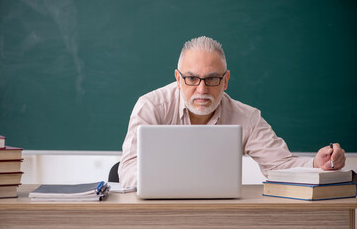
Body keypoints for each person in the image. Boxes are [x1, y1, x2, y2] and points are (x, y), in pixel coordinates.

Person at [119, 36, 346, 188]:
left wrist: (317, 165)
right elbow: (128, 171)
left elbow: (279, 166)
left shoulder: (247, 118)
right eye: (191, 78)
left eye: (212, 79)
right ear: (178, 79)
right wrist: (171, 183)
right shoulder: (151, 107)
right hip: (158, 212)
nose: (202, 89)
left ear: (225, 80)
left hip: (217, 213)